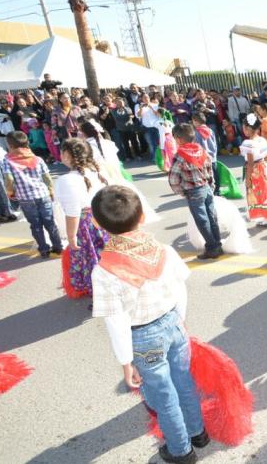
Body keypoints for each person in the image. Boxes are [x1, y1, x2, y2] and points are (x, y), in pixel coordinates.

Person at [89, 185, 207, 464]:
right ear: (142, 217)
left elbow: (116, 321)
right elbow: (181, 290)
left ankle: (180, 451)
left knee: (163, 397)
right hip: (173, 323)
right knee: (184, 382)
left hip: (142, 337)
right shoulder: (163, 250)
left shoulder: (105, 270)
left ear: (96, 223)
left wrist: (125, 361)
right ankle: (198, 432)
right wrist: (180, 320)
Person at [54, 139, 109, 298]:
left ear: (67, 155)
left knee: (90, 257)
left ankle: (100, 291)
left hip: (85, 223)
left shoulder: (67, 180)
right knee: (104, 254)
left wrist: (71, 237)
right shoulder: (97, 172)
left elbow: (73, 211)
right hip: (103, 217)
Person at [1, 131, 62, 258]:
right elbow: (47, 177)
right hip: (43, 194)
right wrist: (51, 190)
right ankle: (58, 247)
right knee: (50, 223)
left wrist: (11, 193)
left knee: (36, 225)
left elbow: (9, 180)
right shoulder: (37, 159)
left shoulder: (8, 161)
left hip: (25, 198)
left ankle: (44, 249)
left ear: (10, 145)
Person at [168, 123, 223, 260]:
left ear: (179, 139)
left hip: (193, 191)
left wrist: (181, 191)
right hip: (207, 188)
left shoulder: (180, 155)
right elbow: (210, 170)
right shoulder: (201, 150)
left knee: (202, 221)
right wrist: (211, 186)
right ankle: (217, 245)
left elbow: (173, 178)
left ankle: (212, 248)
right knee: (212, 217)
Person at [240, 120, 267, 226]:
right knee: (265, 192)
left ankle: (266, 218)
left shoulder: (248, 143)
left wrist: (248, 179)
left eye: (244, 127)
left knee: (257, 193)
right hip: (263, 167)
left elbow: (250, 163)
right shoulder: (262, 140)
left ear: (248, 129)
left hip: (254, 170)